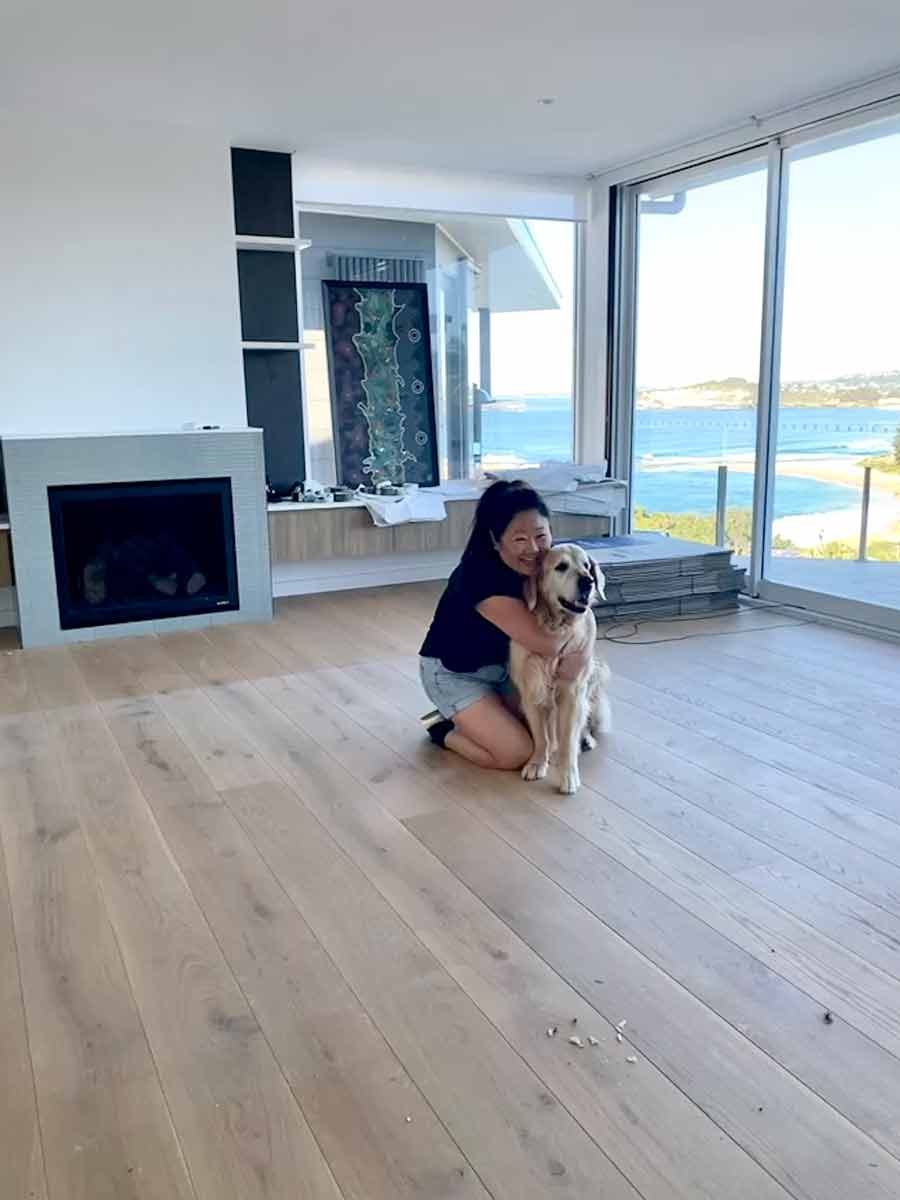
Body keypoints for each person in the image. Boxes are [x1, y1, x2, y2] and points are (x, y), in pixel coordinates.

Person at [419, 479, 591, 770]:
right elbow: (548, 644)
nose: (534, 548)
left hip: (505, 672)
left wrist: (580, 650)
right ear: (496, 540)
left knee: (551, 732)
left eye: (541, 535)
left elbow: (577, 612)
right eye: (519, 539)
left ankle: (482, 716)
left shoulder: (549, 566)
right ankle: (442, 728)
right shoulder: (480, 579)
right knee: (516, 753)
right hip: (455, 675)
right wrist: (583, 639)